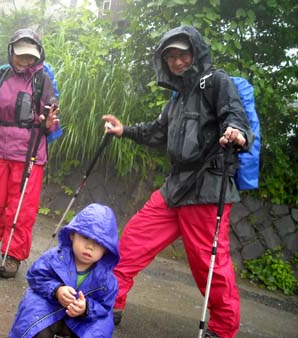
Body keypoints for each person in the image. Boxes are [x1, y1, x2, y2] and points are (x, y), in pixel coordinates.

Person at [102, 26, 254, 338]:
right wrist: (124, 130)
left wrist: (236, 132)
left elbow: (235, 115)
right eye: (170, 57)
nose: (177, 62)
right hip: (175, 187)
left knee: (208, 267)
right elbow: (156, 132)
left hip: (207, 189)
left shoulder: (217, 81)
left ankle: (223, 330)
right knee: (131, 242)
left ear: (195, 52)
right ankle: (109, 302)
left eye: (182, 54)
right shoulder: (178, 98)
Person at [0, 28, 60, 278]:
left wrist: (48, 123)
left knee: (22, 207)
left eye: (30, 56)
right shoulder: (1, 75)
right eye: (20, 55)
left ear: (38, 55)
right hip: (0, 148)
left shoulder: (42, 79)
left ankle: (14, 254)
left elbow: (52, 117)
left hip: (29, 152)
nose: (24, 60)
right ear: (11, 52)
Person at [9, 203, 120, 338]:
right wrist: (56, 290)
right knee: (32, 311)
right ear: (72, 235)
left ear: (107, 249)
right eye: (85, 237)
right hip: (50, 306)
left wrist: (86, 309)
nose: (90, 246)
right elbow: (35, 276)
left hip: (81, 319)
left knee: (101, 326)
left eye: (99, 243)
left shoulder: (107, 279)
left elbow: (105, 306)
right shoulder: (54, 257)